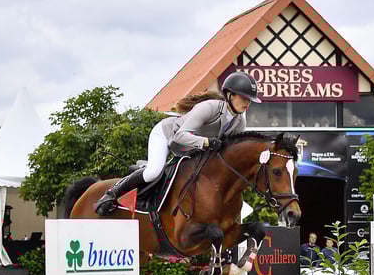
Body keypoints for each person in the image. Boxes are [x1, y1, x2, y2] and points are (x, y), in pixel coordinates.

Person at [94, 71, 262, 215]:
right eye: (244, 98)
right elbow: (180, 137)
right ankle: (111, 193)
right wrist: (206, 142)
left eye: (250, 100)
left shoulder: (239, 123)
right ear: (230, 95)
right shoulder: (210, 107)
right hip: (166, 135)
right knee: (154, 172)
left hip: (190, 150)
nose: (247, 103)